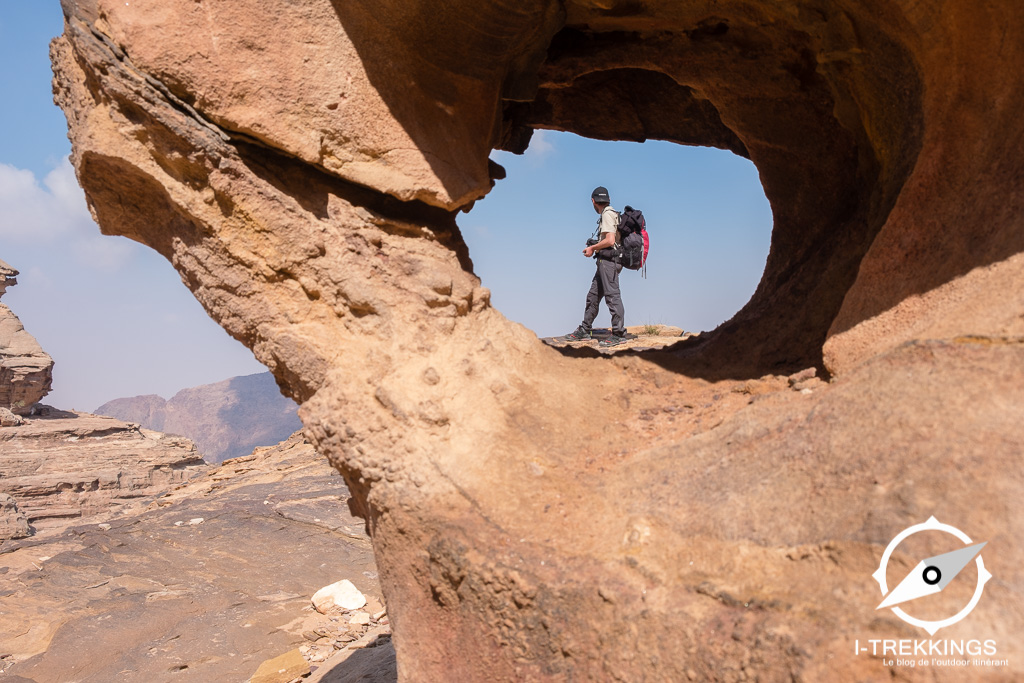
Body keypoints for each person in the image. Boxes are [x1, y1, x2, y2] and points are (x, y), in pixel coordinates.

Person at [563, 186, 627, 347]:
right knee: (593, 296)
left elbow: (611, 240)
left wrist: (592, 248)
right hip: (606, 262)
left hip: (609, 263)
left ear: (593, 201)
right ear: (608, 199)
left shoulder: (607, 214)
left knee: (612, 296)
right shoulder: (612, 213)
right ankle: (585, 329)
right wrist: (596, 244)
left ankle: (619, 334)